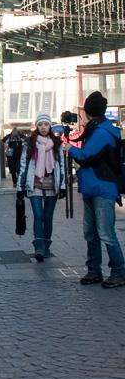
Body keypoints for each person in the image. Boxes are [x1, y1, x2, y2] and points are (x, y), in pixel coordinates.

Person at [67, 91, 125, 288]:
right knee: (91, 232)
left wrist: (70, 149)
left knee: (106, 232)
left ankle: (119, 271)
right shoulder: (98, 130)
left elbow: (86, 156)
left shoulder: (102, 133)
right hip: (93, 186)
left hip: (101, 188)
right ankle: (94, 270)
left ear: (89, 112)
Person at [16, 114, 66, 261]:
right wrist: (20, 187)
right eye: (40, 124)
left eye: (46, 124)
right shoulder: (29, 143)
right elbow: (23, 166)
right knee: (38, 216)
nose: (43, 127)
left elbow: (61, 166)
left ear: (50, 126)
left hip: (52, 184)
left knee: (48, 217)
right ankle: (39, 248)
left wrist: (62, 186)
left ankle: (46, 246)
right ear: (36, 126)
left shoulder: (57, 143)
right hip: (34, 183)